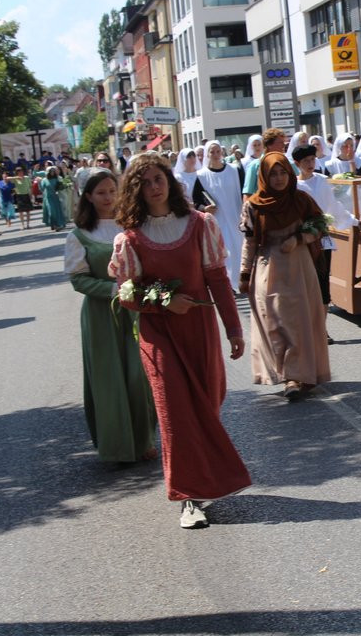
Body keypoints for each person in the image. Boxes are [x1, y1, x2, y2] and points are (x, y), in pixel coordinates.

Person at [109, 153, 251, 529]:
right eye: (144, 182)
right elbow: (126, 295)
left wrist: (234, 329)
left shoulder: (200, 224)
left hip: (200, 329)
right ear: (134, 191)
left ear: (170, 182)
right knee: (174, 412)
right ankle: (188, 498)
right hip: (158, 334)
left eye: (158, 178)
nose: (153, 187)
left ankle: (203, 481)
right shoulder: (131, 239)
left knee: (207, 402)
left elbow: (218, 279)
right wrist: (164, 301)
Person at [65, 168, 157, 463]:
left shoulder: (132, 225)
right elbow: (79, 280)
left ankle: (143, 439)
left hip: (136, 311)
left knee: (138, 376)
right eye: (101, 192)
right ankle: (117, 446)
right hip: (101, 315)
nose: (109, 197)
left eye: (112, 190)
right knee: (109, 380)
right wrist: (116, 291)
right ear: (88, 196)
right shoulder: (79, 235)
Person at [239, 151, 331, 398]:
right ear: (264, 177)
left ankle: (296, 376)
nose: (279, 178)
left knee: (300, 321)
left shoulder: (301, 200)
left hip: (299, 266)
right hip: (268, 266)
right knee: (276, 320)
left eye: (282, 172)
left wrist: (299, 238)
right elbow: (249, 241)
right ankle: (287, 373)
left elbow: (320, 226)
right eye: (272, 174)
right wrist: (244, 273)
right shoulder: (254, 205)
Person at [292, 144, 359, 343]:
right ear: (297, 164)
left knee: (322, 282)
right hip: (303, 239)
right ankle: (307, 328)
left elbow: (334, 205)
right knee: (306, 283)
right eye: (306, 161)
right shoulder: (294, 186)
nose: (311, 164)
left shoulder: (322, 181)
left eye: (313, 160)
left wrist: (353, 220)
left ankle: (321, 328)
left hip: (322, 235)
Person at [196, 139, 246, 286]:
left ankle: (243, 279)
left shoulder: (235, 170)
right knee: (225, 250)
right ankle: (229, 282)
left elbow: (244, 192)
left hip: (236, 216)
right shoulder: (202, 176)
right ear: (207, 154)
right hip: (218, 220)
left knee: (240, 247)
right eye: (212, 152)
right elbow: (197, 200)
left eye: (218, 151)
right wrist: (205, 209)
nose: (216, 154)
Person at [40, 166, 68, 231]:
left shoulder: (56, 179)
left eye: (53, 171)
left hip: (55, 197)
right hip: (48, 197)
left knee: (57, 211)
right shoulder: (44, 180)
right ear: (48, 172)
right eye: (51, 171)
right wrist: (39, 182)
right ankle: (53, 224)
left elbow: (60, 187)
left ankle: (57, 224)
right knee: (51, 211)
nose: (52, 173)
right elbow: (41, 189)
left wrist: (64, 185)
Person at [11, 166, 34, 230]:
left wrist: (31, 194)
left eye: (21, 171)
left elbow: (30, 186)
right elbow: (7, 178)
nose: (20, 172)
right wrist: (16, 177)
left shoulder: (27, 178)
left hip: (26, 195)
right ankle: (22, 224)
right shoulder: (15, 179)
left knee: (28, 211)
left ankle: (28, 224)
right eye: (18, 172)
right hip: (19, 195)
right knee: (20, 211)